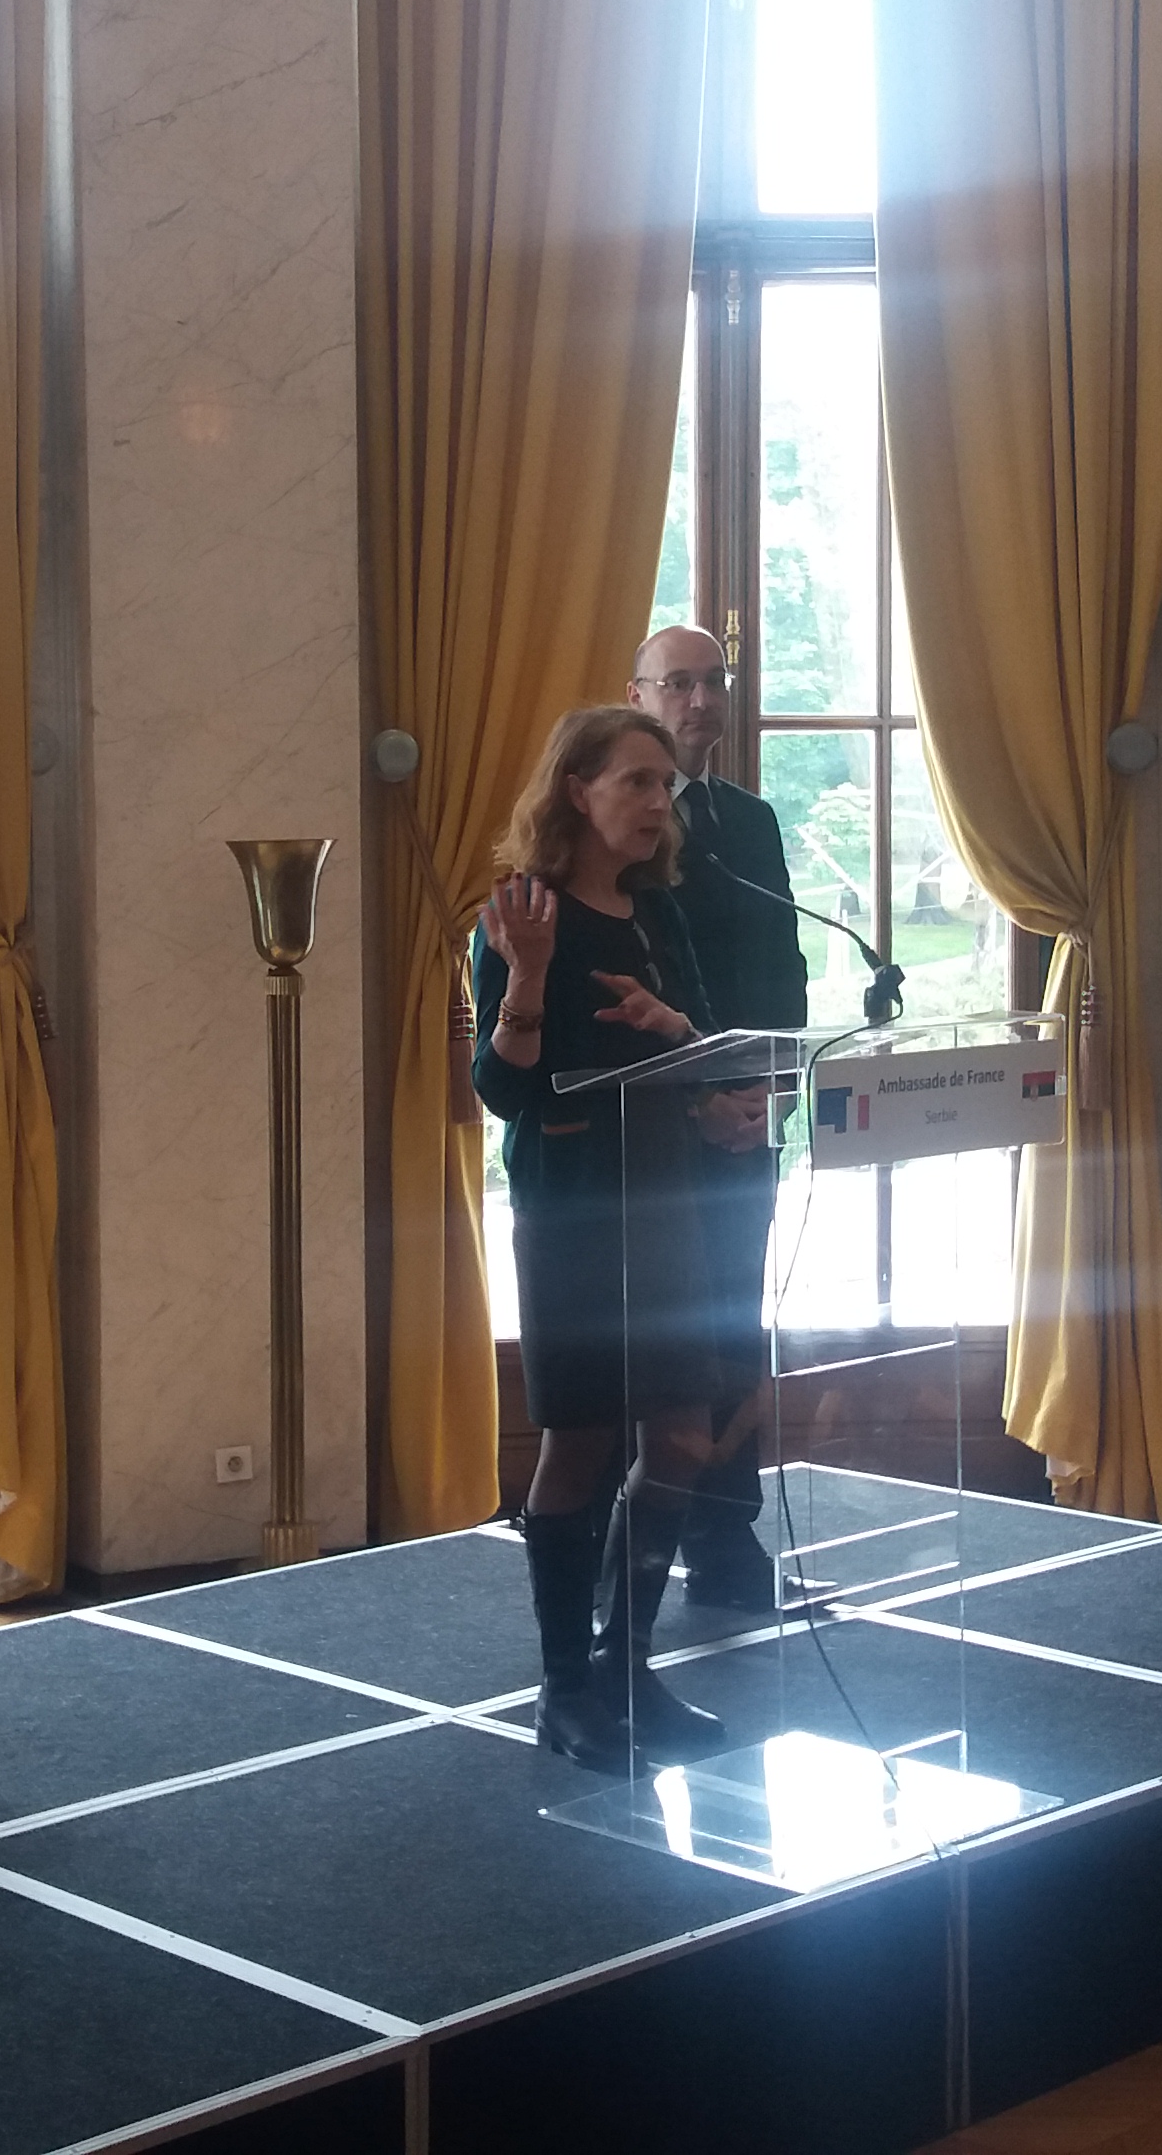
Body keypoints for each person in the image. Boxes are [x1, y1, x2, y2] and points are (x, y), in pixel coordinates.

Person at [475, 704, 768, 1771]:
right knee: (584, 1442)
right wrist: (528, 976)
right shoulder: (521, 912)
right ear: (577, 790)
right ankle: (565, 1693)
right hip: (575, 1210)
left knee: (683, 1438)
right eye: (636, 781)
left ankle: (628, 1666)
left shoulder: (661, 913)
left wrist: (713, 1085)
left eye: (664, 785)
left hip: (670, 1198)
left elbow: (693, 1046)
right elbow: (502, 1090)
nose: (657, 802)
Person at [630, 623, 809, 1613]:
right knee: (664, 1341)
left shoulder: (750, 819)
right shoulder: (618, 826)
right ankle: (641, 1542)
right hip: (654, 1131)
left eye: (713, 681)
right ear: (638, 696)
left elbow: (782, 967)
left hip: (747, 1121)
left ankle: (726, 1537)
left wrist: (770, 1090)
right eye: (678, 684)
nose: (700, 701)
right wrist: (695, 1096)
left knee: (735, 1328)